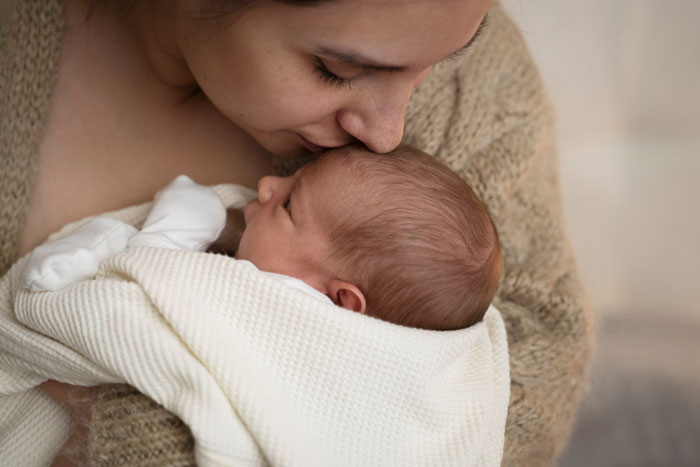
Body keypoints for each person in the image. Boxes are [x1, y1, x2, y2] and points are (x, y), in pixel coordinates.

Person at [0, 0, 593, 465]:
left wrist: (142, 432)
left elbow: (537, 363)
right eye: (337, 70)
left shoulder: (472, 75)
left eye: (446, 60)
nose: (389, 134)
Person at [25, 145, 502, 331]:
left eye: (290, 205)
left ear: (341, 301)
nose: (270, 185)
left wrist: (184, 224)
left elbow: (149, 302)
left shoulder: (290, 317)